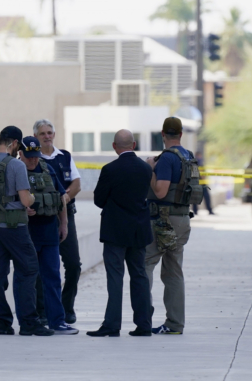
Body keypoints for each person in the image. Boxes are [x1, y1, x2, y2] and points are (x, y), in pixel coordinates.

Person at [0, 126, 53, 336]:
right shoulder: (16, 165)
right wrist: (32, 200)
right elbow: (26, 199)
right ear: (15, 143)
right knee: (28, 270)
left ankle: (2, 323)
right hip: (15, 225)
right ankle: (28, 323)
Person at [87, 129, 154, 337]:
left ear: (115, 147)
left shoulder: (110, 169)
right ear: (134, 145)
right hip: (139, 230)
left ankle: (112, 325)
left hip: (115, 231)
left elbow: (98, 199)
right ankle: (144, 324)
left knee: (115, 278)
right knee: (140, 276)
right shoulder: (146, 168)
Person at [17, 137, 79, 335]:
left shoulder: (47, 169)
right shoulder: (15, 170)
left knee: (52, 277)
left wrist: (64, 224)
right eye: (29, 157)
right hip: (27, 235)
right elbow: (8, 200)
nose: (33, 161)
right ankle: (29, 321)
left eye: (35, 156)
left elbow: (61, 197)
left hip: (49, 233)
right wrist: (21, 209)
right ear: (21, 153)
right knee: (27, 279)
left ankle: (57, 321)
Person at [146, 117, 201, 335]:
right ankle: (175, 324)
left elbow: (160, 191)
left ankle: (143, 319)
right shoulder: (188, 156)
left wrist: (150, 169)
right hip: (182, 219)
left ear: (162, 134)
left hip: (163, 221)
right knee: (174, 272)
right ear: (180, 133)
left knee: (144, 266)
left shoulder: (168, 158)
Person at [33, 119, 82, 325]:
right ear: (36, 136)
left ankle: (66, 307)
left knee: (73, 264)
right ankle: (43, 310)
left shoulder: (64, 156)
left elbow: (76, 184)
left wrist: (60, 201)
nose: (47, 136)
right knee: (40, 268)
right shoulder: (31, 158)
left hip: (65, 216)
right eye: (43, 133)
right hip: (40, 219)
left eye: (50, 132)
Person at [192, 151, 215, 216]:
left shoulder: (193, 162)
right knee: (206, 196)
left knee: (195, 197)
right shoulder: (200, 161)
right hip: (201, 182)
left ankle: (195, 211)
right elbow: (202, 173)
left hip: (195, 182)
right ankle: (209, 210)